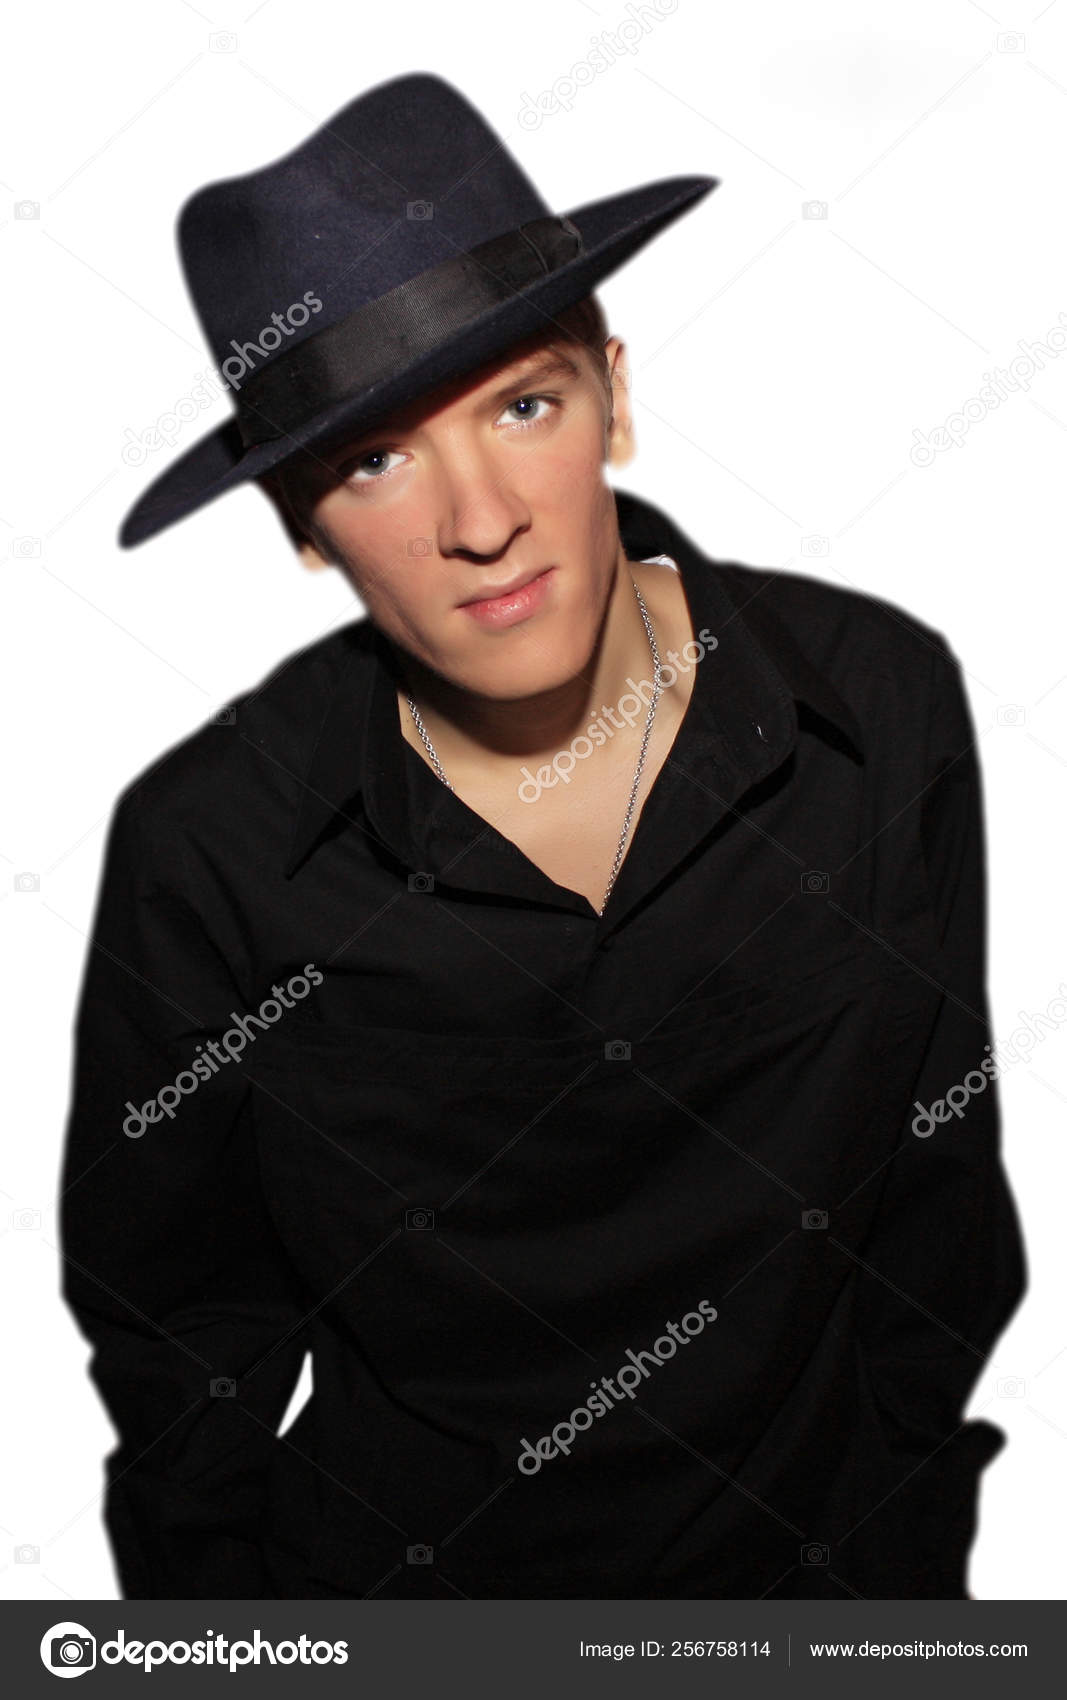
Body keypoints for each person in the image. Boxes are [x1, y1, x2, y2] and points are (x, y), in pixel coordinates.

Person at [59, 72, 1026, 1602]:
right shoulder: (212, 847)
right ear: (300, 523)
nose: (480, 517)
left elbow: (940, 1211)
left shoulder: (880, 702)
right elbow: (180, 1351)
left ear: (614, 398)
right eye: (374, 459)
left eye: (524, 404)